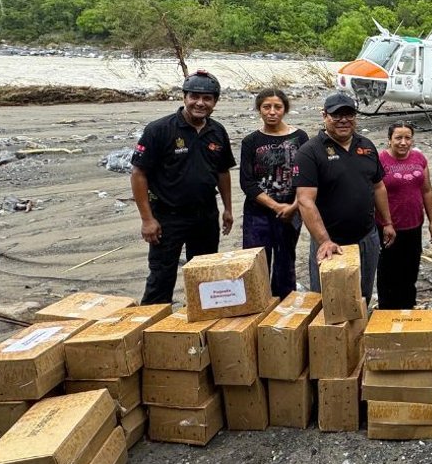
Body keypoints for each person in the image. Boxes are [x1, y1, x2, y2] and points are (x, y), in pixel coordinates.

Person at [130, 70, 236, 305]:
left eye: (207, 98)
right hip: (168, 217)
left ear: (215, 102)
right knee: (161, 277)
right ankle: (153, 330)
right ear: (184, 98)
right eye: (194, 97)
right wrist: (147, 219)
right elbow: (138, 173)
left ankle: (201, 328)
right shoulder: (159, 130)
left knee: (205, 275)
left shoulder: (217, 132)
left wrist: (228, 209)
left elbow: (223, 172)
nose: (200, 103)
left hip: (206, 216)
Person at [294, 92, 395, 301]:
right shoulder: (310, 152)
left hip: (367, 236)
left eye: (348, 114)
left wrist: (387, 222)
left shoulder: (366, 145)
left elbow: (378, 187)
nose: (343, 120)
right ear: (324, 116)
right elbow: (305, 200)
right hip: (331, 240)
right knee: (328, 300)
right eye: (336, 115)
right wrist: (324, 241)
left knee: (362, 295)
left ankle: (358, 331)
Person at [239, 88, 308, 298]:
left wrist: (295, 206)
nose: (272, 112)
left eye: (277, 107)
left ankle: (284, 311)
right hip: (257, 213)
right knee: (256, 263)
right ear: (259, 109)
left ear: (284, 109)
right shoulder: (251, 141)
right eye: (266, 107)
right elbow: (247, 183)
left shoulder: (300, 137)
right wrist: (276, 206)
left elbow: (306, 177)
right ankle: (257, 307)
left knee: (285, 262)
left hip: (292, 211)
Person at [377, 122, 432, 309]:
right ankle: (387, 310)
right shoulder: (380, 160)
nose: (403, 142)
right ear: (389, 140)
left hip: (414, 224)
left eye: (407, 138)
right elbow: (375, 192)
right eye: (398, 138)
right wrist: (387, 223)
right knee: (388, 271)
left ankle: (408, 308)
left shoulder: (419, 158)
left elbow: (427, 190)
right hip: (388, 227)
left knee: (410, 268)